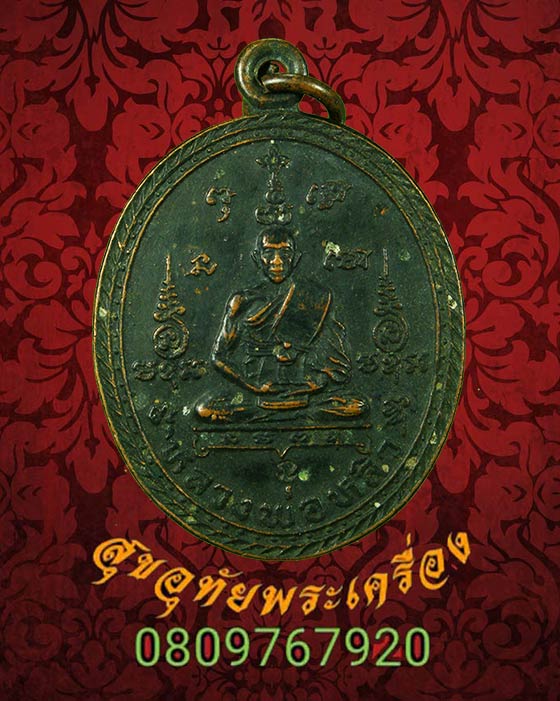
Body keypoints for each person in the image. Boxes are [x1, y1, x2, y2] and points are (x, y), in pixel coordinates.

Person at [195, 226, 368, 423]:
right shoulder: (242, 301)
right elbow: (218, 357)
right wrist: (252, 386)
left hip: (304, 392)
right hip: (256, 393)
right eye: (268, 253)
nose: (277, 261)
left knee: (358, 406)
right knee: (204, 410)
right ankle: (298, 418)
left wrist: (312, 383)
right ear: (256, 257)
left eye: (285, 253)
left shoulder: (315, 296)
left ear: (296, 259)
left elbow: (337, 367)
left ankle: (285, 417)